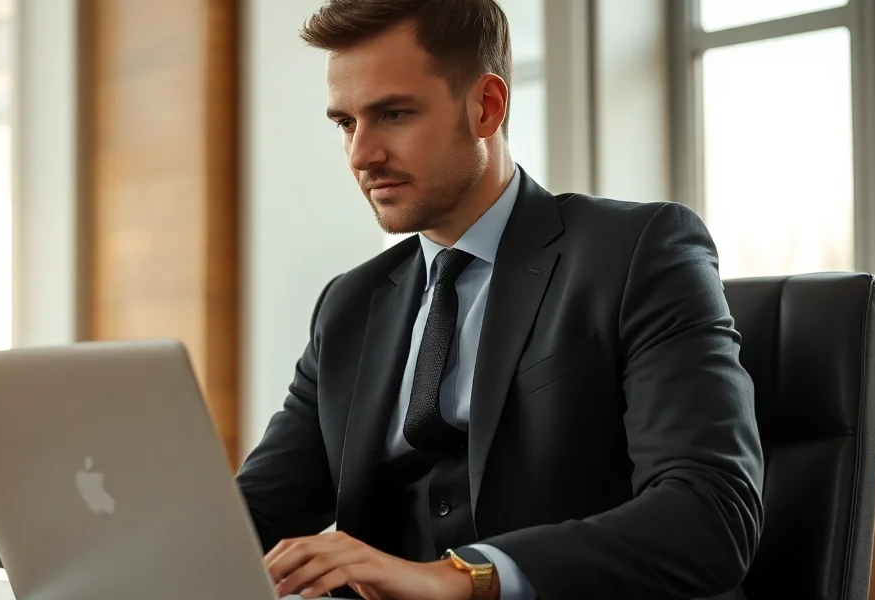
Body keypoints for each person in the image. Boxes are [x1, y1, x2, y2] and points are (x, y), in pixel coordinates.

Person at [234, 1, 764, 599]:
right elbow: (251, 515)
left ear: (486, 106)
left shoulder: (640, 251)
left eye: (394, 114)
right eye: (345, 124)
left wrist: (460, 579)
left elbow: (710, 515)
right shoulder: (349, 305)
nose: (361, 155)